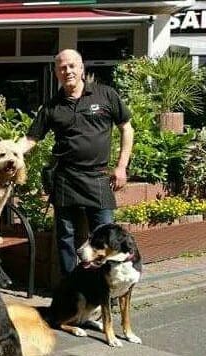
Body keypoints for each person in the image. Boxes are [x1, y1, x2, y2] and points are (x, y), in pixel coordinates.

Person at [17, 49, 133, 278]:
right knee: (65, 237)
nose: (67, 71)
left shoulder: (105, 95)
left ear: (82, 68)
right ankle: (72, 287)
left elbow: (126, 128)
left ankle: (105, 286)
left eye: (72, 66)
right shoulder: (51, 106)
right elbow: (31, 139)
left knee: (106, 237)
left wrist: (121, 166)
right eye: (62, 67)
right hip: (66, 178)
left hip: (98, 177)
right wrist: (7, 153)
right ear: (56, 74)